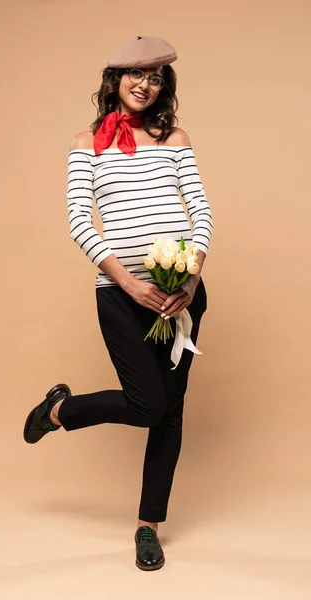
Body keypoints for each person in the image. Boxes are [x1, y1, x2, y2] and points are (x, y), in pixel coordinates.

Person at [23, 35, 213, 571]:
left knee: (169, 415)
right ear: (114, 80)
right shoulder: (87, 142)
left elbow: (201, 211)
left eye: (155, 77)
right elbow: (80, 223)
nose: (144, 84)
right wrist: (131, 285)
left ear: (163, 86)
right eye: (136, 74)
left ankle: (147, 527)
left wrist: (192, 279)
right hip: (123, 297)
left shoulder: (174, 137)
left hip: (181, 296)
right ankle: (59, 410)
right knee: (147, 403)